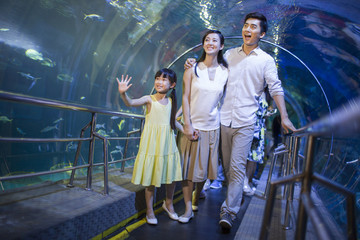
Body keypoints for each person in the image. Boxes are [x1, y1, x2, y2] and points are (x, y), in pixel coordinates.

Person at [185, 12, 296, 230]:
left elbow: (275, 87)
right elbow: (209, 66)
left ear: (262, 33)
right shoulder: (229, 55)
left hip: (246, 121)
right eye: (246, 25)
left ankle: (229, 211)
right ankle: (235, 198)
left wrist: (284, 116)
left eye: (254, 27)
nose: (248, 29)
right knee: (227, 168)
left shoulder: (266, 61)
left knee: (236, 167)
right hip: (223, 120)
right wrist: (192, 62)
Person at [116, 68, 183, 225]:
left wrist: (188, 132)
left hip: (167, 144)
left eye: (164, 79)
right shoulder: (149, 99)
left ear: (172, 84)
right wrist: (123, 93)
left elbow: (174, 121)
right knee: (151, 179)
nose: (159, 81)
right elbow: (131, 103)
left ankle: (169, 204)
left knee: (172, 177)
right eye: (157, 78)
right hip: (153, 145)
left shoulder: (172, 102)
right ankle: (149, 210)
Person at [177, 30, 228, 223]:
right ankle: (188, 208)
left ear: (221, 46)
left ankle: (198, 196)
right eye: (207, 40)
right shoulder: (192, 68)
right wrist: (187, 124)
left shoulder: (226, 72)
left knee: (204, 171)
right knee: (188, 170)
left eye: (215, 40)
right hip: (193, 125)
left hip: (212, 127)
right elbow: (185, 96)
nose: (210, 43)